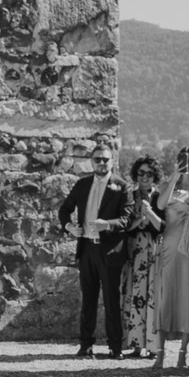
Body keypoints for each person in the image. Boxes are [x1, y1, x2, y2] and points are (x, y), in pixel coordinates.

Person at [55, 145, 130, 359]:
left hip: (109, 250)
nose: (101, 163)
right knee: (88, 299)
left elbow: (126, 219)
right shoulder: (82, 184)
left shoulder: (121, 186)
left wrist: (106, 224)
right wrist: (69, 227)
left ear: (112, 161)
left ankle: (115, 347)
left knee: (111, 300)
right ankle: (85, 345)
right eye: (97, 159)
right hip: (87, 248)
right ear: (91, 161)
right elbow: (64, 209)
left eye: (105, 159)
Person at [154, 149, 189, 370]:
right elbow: (160, 206)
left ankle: (183, 354)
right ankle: (159, 354)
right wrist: (174, 176)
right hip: (169, 249)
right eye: (182, 161)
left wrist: (188, 209)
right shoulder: (169, 186)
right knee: (165, 298)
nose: (187, 165)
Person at [118, 155, 165, 361]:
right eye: (141, 173)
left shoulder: (161, 196)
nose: (145, 177)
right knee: (133, 294)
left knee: (152, 295)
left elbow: (164, 226)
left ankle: (154, 346)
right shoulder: (129, 195)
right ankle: (136, 344)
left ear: (155, 175)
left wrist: (150, 215)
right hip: (134, 249)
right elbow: (125, 225)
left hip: (154, 249)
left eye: (149, 173)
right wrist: (140, 219)